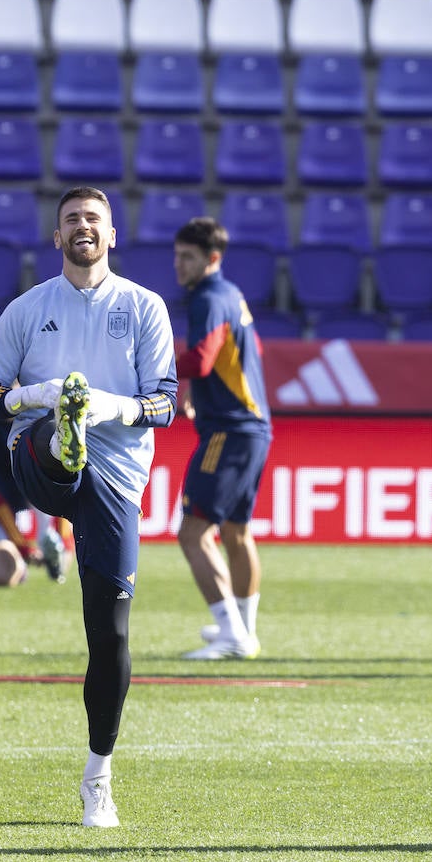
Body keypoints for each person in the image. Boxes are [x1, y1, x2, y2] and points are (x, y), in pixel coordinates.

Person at [0, 186, 178, 828]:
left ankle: (98, 776)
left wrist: (114, 407)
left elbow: (165, 403)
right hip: (38, 460)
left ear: (111, 235)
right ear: (56, 239)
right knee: (49, 446)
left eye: (93, 219)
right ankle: (63, 431)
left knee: (109, 634)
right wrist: (29, 396)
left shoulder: (144, 308)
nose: (82, 227)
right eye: (71, 221)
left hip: (117, 478)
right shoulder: (27, 311)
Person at [168, 217, 273, 661]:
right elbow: (247, 353)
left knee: (192, 532)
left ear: (212, 259)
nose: (179, 265)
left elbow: (202, 358)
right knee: (236, 531)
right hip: (254, 428)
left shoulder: (208, 297)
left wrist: (153, 361)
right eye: (177, 255)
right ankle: (243, 628)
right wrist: (192, 392)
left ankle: (233, 634)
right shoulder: (230, 294)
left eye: (188, 257)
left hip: (227, 431)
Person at [0, 394, 71, 586]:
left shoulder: (45, 403)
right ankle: (18, 558)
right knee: (3, 576)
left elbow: (61, 473)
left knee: (63, 560)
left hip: (38, 482)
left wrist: (62, 536)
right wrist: (22, 546)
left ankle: (49, 541)